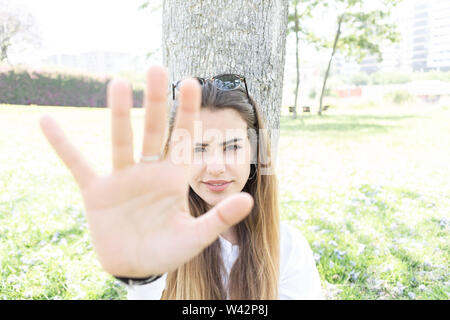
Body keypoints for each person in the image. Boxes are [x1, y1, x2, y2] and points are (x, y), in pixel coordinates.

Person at [39, 65, 324, 300]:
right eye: (198, 149)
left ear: (255, 152)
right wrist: (142, 276)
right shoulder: (160, 237)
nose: (215, 166)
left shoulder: (288, 248)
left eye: (232, 146)